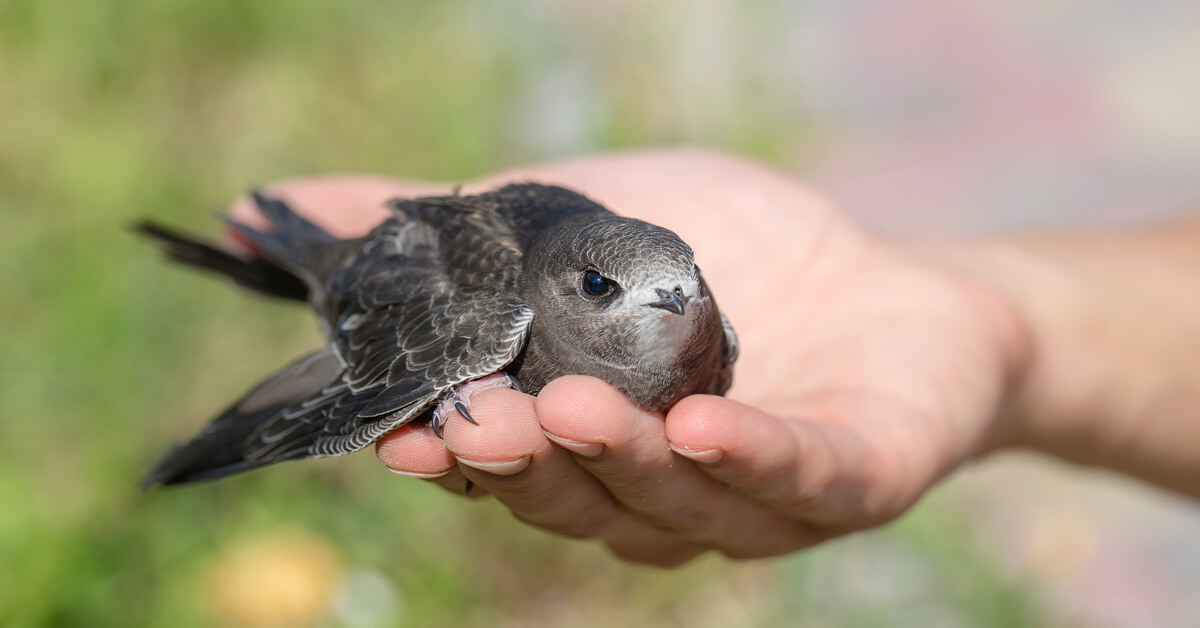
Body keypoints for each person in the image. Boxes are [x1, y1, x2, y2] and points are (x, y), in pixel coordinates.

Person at [230, 148, 1200, 566]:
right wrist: (344, 283)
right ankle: (290, 251)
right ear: (570, 293)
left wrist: (1009, 333)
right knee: (397, 390)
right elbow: (380, 353)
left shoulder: (701, 326)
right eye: (617, 291)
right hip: (408, 266)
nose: (681, 305)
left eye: (687, 281)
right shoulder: (491, 317)